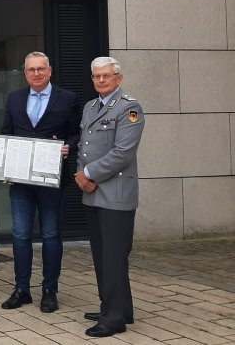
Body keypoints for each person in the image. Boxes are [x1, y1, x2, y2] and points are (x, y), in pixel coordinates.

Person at [0, 52, 81, 313]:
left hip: (51, 179)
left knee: (50, 234)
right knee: (20, 234)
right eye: (31, 69)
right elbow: (6, 134)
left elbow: (78, 133)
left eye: (40, 69)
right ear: (25, 73)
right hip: (21, 180)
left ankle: (49, 290)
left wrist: (69, 146)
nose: (36, 73)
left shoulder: (67, 98)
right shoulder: (14, 99)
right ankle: (22, 289)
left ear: (50, 70)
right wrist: (3, 167)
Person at [75, 56, 144, 338]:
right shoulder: (91, 107)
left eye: (106, 75)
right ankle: (117, 308)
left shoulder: (129, 108)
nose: (101, 80)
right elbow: (84, 147)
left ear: (119, 78)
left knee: (114, 257)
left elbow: (123, 152)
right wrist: (82, 176)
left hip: (116, 193)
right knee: (102, 255)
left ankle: (114, 319)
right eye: (96, 76)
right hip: (92, 192)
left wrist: (89, 173)